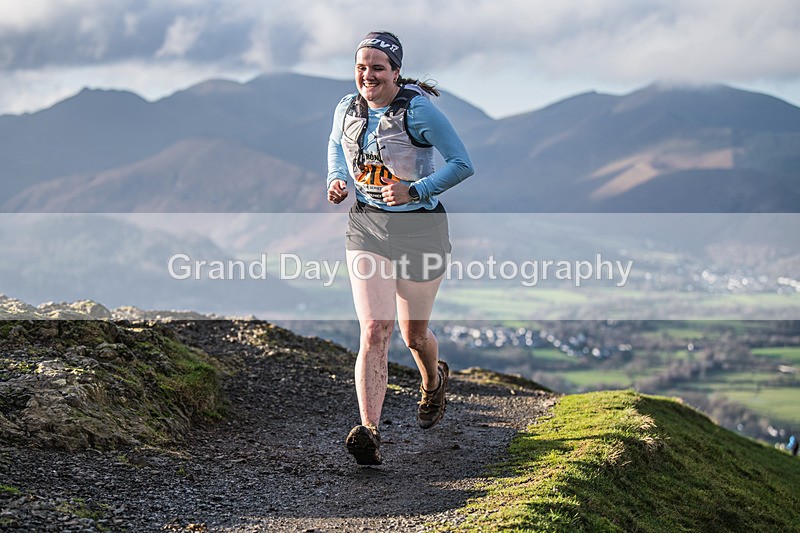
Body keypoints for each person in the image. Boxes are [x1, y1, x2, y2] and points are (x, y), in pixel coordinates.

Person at [326, 31, 474, 465]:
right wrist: (336, 178)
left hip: (420, 230)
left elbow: (463, 163)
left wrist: (416, 190)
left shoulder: (419, 111)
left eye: (377, 68)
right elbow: (336, 144)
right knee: (374, 329)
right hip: (367, 225)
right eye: (361, 67)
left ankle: (432, 382)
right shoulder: (347, 107)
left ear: (395, 72)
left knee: (413, 335)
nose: (367, 76)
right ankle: (369, 431)